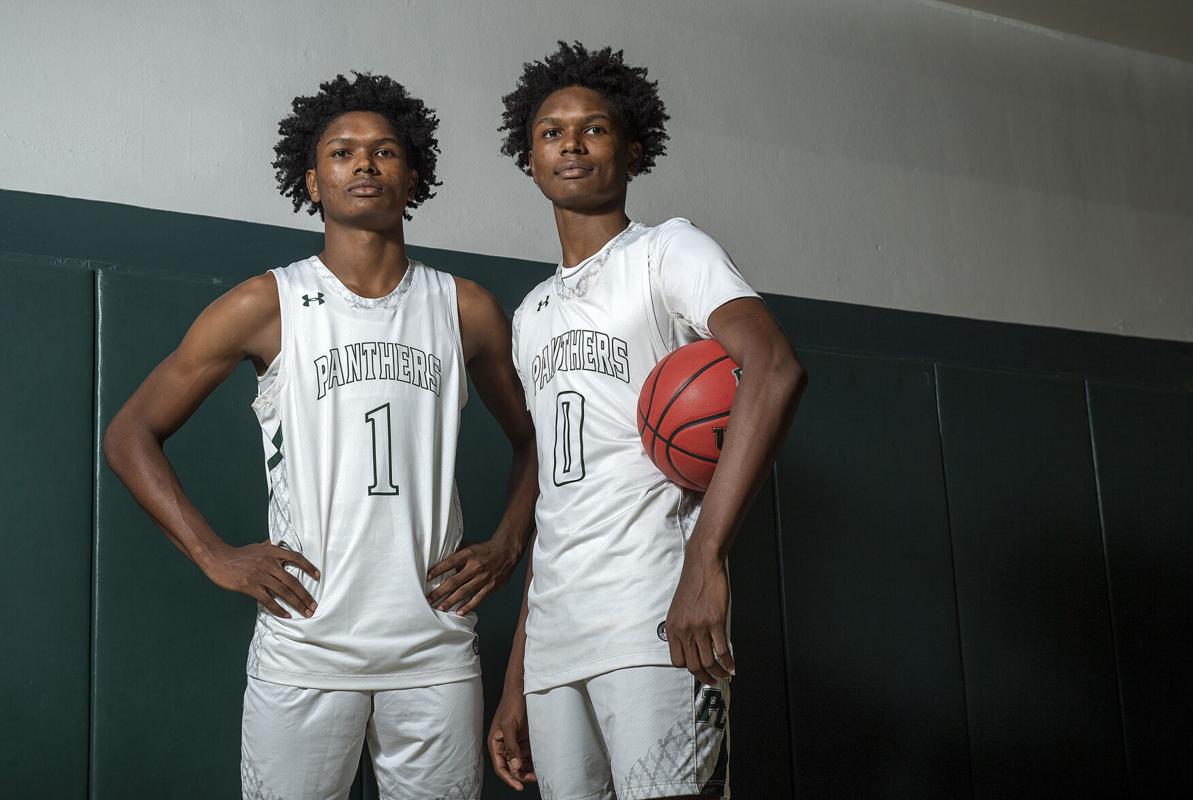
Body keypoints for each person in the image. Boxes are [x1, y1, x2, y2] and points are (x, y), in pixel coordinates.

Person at [103, 72, 536, 800]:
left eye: (384, 151)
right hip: (305, 644)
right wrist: (215, 556)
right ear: (313, 179)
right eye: (342, 152)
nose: (364, 164)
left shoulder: (465, 309)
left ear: (413, 175)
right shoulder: (263, 304)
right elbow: (130, 433)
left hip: (433, 647)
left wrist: (507, 542)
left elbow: (535, 441)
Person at [487, 43, 807, 800]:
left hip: (656, 613)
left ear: (633, 148)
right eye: (551, 132)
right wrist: (517, 675)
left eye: (594, 129)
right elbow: (558, 503)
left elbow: (775, 366)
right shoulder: (530, 316)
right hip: (557, 642)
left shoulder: (669, 251)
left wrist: (705, 560)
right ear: (528, 157)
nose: (571, 143)